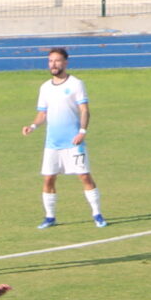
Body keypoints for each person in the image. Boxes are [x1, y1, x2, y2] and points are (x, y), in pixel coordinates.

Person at [24, 46, 104, 230]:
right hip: (52, 144)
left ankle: (97, 214)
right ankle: (50, 217)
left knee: (84, 176)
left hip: (74, 142)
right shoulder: (45, 88)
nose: (53, 64)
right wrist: (33, 126)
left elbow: (84, 110)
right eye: (51, 61)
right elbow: (42, 114)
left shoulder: (75, 84)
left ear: (65, 63)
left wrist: (82, 132)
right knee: (48, 179)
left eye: (57, 61)